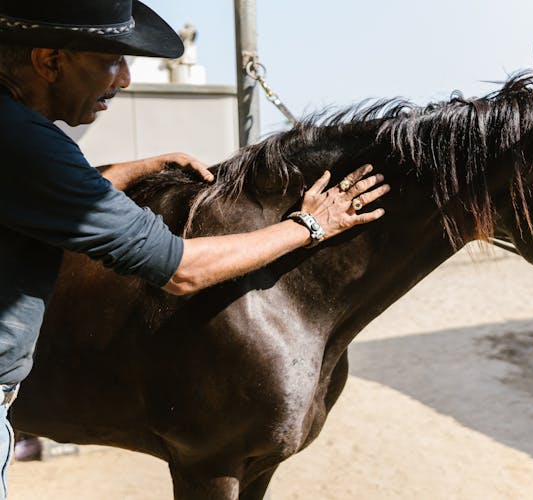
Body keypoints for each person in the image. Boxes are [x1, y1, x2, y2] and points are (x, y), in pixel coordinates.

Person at [0, 0, 389, 496]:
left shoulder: (14, 132)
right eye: (110, 60)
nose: (122, 79)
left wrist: (131, 171)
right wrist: (311, 224)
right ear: (50, 60)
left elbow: (38, 191)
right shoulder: (26, 143)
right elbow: (179, 268)